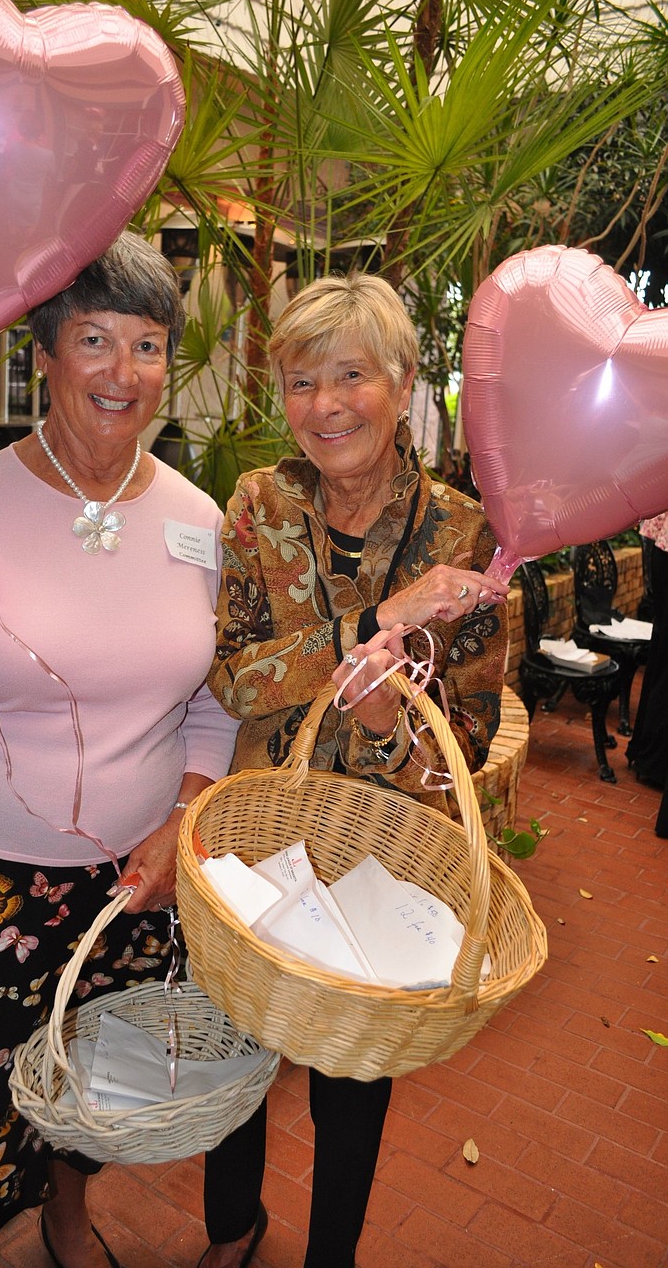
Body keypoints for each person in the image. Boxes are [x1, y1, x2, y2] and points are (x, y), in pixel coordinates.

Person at [0, 232, 238, 1268]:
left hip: (127, 883)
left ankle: (67, 1221)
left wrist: (185, 812)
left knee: (88, 1092)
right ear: (47, 356)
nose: (123, 372)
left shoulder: (196, 521)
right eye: (95, 339)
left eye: (147, 345)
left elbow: (213, 702)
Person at [198, 271, 510, 1268]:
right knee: (234, 1057)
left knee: (351, 1087)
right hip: (259, 843)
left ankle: (330, 1253)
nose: (323, 406)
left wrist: (384, 728)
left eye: (349, 375)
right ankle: (230, 1231)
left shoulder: (464, 535)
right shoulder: (259, 504)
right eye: (300, 381)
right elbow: (232, 679)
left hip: (383, 866)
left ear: (403, 378)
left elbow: (466, 738)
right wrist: (365, 628)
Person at [625, 510, 668, 836]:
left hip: (662, 541)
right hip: (664, 542)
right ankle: (653, 761)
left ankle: (648, 755)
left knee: (662, 651)